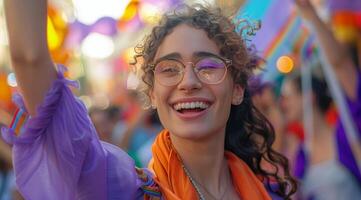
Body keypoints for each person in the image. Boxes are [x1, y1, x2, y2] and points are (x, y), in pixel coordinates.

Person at [2, 0, 297, 199]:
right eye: (169, 69)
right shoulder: (122, 188)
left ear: (237, 89)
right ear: (153, 94)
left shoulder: (264, 190)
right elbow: (29, 58)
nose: (189, 82)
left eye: (208, 67)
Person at [280, 0, 361, 199]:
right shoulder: (298, 156)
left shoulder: (347, 129)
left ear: (310, 96)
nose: (284, 103)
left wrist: (310, 14)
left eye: (289, 96)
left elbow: (340, 64)